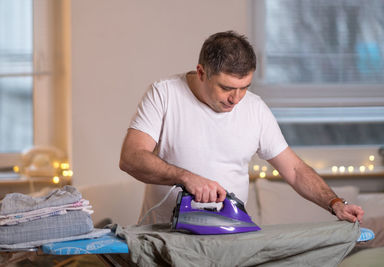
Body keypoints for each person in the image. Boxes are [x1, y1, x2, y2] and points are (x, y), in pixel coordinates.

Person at [119, 31, 364, 225]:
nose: (236, 99)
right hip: (164, 239)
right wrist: (186, 178)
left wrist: (335, 203)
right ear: (202, 72)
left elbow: (296, 170)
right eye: (226, 88)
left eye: (244, 87)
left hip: (231, 240)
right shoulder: (164, 94)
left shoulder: (255, 108)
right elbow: (131, 158)